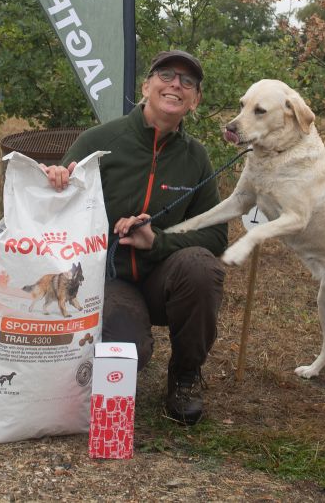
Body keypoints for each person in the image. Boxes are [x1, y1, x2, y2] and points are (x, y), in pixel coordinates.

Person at [42, 50, 227, 425]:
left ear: (195, 101)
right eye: (166, 75)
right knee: (129, 356)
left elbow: (215, 234)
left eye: (187, 82)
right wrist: (54, 181)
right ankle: (122, 346)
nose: (176, 84)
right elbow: (56, 210)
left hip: (164, 281)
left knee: (200, 267)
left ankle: (185, 375)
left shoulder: (197, 158)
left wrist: (156, 242)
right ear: (146, 86)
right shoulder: (100, 140)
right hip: (107, 280)